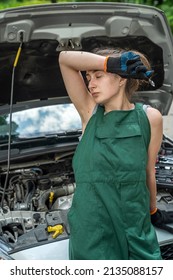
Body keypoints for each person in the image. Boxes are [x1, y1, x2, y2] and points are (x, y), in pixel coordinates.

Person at [59, 48, 163, 260]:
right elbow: (64, 59)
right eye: (88, 78)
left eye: (98, 76)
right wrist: (108, 63)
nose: (91, 84)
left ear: (121, 79)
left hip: (136, 229)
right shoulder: (89, 113)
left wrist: (153, 211)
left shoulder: (150, 118)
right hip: (94, 235)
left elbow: (148, 172)